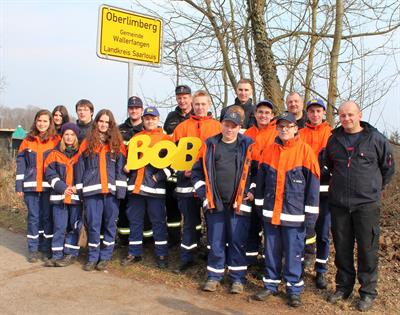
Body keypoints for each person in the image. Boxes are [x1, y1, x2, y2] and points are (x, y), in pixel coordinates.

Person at [325, 101, 394, 312]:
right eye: (342, 115)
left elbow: (388, 169)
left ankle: (367, 292)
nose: (346, 119)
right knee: (342, 249)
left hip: (366, 205)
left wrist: (373, 189)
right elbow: (328, 166)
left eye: (350, 115)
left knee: (367, 249)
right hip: (339, 205)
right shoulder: (334, 140)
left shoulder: (375, 139)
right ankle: (344, 287)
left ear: (359, 115)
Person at [254, 112, 320, 307]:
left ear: (295, 129)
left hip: (295, 216)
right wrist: (260, 208)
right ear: (277, 128)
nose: (284, 129)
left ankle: (293, 289)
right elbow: (260, 185)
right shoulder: (268, 151)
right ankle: (271, 284)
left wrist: (310, 219)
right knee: (271, 250)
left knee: (293, 253)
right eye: (281, 126)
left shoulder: (306, 152)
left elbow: (313, 190)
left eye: (288, 126)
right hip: (270, 214)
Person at [192, 111, 255, 294]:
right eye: (226, 124)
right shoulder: (210, 144)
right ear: (221, 125)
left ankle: (237, 279)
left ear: (239, 127)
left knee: (237, 241)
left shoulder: (248, 144)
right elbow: (196, 172)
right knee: (216, 241)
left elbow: (257, 172)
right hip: (215, 203)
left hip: (239, 204)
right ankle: (214, 276)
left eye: (233, 125)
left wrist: (251, 191)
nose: (229, 129)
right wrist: (204, 194)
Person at [172, 90, 221, 273]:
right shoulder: (181, 127)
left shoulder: (218, 127)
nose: (200, 107)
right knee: (190, 222)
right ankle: (187, 258)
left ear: (209, 105)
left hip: (210, 184)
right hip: (186, 184)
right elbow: (171, 157)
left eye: (203, 104)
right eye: (197, 104)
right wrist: (180, 170)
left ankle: (211, 258)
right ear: (192, 105)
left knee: (212, 223)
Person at [76, 109, 127, 272]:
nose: (104, 124)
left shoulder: (117, 143)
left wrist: (121, 190)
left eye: (107, 122)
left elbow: (120, 169)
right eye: (101, 121)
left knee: (110, 225)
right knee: (93, 226)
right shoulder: (87, 142)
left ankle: (105, 257)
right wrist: (80, 190)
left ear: (111, 124)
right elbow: (80, 167)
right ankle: (92, 258)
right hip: (91, 192)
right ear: (96, 122)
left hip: (111, 193)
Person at [121, 107, 171, 269]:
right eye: (147, 118)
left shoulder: (166, 139)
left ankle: (161, 253)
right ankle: (134, 252)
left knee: (158, 222)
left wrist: (160, 176)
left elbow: (173, 165)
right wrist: (126, 167)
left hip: (155, 188)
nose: (150, 121)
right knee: (135, 221)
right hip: (136, 187)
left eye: (153, 118)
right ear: (143, 120)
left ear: (158, 120)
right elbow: (129, 158)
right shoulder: (136, 138)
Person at [16, 109, 59, 262]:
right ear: (35, 121)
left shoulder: (56, 140)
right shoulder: (27, 140)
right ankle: (33, 248)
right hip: (31, 187)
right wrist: (18, 186)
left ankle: (46, 247)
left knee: (47, 218)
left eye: (45, 121)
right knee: (34, 217)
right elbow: (21, 164)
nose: (42, 124)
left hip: (49, 187)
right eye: (39, 120)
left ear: (50, 123)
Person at [299, 98, 332, 289]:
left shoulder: (332, 134)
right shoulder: (300, 133)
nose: (315, 114)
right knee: (303, 230)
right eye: (311, 111)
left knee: (323, 233)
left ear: (323, 113)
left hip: (325, 193)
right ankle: (301, 264)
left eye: (318, 111)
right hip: (303, 192)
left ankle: (321, 271)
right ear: (307, 114)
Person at [44, 123, 82, 267]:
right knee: (59, 226)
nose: (69, 137)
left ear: (76, 137)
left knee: (74, 226)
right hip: (59, 196)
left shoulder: (81, 154)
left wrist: (76, 188)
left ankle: (70, 254)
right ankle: (56, 254)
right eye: (66, 134)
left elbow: (85, 174)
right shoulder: (54, 154)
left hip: (76, 197)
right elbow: (49, 173)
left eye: (72, 135)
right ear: (62, 136)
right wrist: (62, 188)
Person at [244, 100, 275, 267]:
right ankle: (250, 259)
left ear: (271, 115)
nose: (263, 115)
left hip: (269, 179)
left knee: (267, 223)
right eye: (260, 112)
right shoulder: (248, 133)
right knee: (251, 222)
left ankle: (266, 261)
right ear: (255, 114)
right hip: (250, 176)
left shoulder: (276, 133)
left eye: (267, 113)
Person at [117, 96, 144, 244]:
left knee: (140, 210)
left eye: (137, 108)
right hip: (123, 174)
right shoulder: (120, 129)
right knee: (123, 209)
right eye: (131, 108)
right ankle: (123, 240)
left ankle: (146, 240)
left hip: (141, 176)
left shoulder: (147, 128)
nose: (134, 111)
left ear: (141, 110)